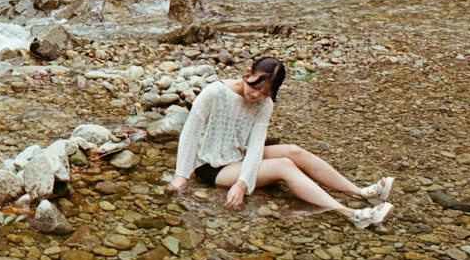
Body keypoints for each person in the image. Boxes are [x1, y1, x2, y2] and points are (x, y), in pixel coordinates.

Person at [167, 57, 394, 227]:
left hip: (239, 156)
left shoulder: (264, 105)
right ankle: (352, 215)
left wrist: (243, 182)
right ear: (248, 73)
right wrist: (181, 176)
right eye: (255, 87)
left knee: (292, 151)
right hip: (211, 167)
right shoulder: (215, 93)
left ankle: (361, 193)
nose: (255, 96)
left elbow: (257, 144)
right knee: (283, 165)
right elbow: (191, 132)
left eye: (265, 94)